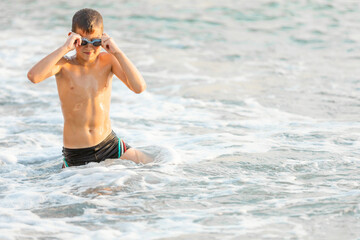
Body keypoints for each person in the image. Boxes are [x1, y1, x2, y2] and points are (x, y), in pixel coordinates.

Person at [27, 8, 152, 168]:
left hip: (110, 144)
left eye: (96, 42)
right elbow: (34, 76)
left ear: (103, 38)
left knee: (158, 166)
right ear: (72, 38)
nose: (89, 48)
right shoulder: (64, 65)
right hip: (78, 153)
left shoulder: (108, 61)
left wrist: (118, 52)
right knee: (90, 192)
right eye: (83, 42)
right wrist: (65, 48)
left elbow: (139, 87)